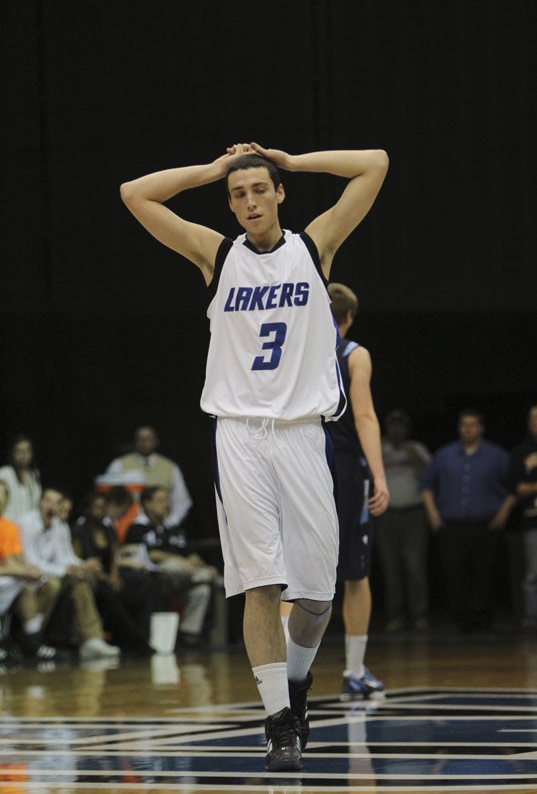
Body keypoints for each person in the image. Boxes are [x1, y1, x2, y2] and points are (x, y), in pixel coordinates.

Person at [120, 140, 388, 770]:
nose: (247, 201)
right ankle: (277, 723)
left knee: (318, 592)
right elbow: (135, 193)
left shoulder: (314, 247)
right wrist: (212, 170)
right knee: (261, 582)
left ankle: (296, 683)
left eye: (258, 189)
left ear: (278, 195)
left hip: (302, 433)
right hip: (239, 433)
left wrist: (290, 161)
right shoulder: (216, 254)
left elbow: (375, 163)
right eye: (237, 194)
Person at [326, 282, 389, 699]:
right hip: (345, 466)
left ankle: (285, 676)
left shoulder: (295, 353)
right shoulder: (353, 353)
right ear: (348, 317)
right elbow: (364, 415)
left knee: (294, 576)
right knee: (355, 572)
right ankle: (353, 670)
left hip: (299, 462)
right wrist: (380, 477)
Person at [421, 409, 512, 631]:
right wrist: (432, 513)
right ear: (459, 428)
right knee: (454, 574)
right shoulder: (444, 455)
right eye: (464, 424)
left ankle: (483, 621)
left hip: (485, 524)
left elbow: (513, 487)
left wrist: (503, 512)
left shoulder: (497, 455)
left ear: (481, 428)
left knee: (485, 574)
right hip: (452, 525)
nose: (468, 429)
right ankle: (459, 621)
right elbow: (426, 486)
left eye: (473, 425)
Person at [17, 489, 121, 660]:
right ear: (39, 503)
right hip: (28, 577)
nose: (51, 506)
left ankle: (92, 639)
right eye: (47, 501)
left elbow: (65, 557)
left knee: (80, 580)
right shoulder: (26, 524)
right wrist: (67, 570)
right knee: (53, 584)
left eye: (56, 502)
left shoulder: (60, 525)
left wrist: (83, 566)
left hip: (49, 574)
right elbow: (31, 562)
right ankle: (33, 640)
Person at [119, 486, 215, 649]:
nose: (165, 505)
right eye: (160, 501)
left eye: (166, 501)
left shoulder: (171, 528)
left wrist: (205, 566)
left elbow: (189, 554)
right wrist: (182, 562)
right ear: (147, 504)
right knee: (174, 567)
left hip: (179, 581)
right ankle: (200, 575)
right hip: (153, 579)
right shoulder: (138, 527)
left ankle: (188, 634)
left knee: (201, 590)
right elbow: (152, 555)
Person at [71, 492, 158, 655]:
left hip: (107, 575)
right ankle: (135, 639)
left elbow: (113, 558)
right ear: (88, 509)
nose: (100, 511)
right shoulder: (79, 530)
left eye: (103, 507)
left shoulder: (108, 529)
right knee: (108, 592)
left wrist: (114, 576)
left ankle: (144, 634)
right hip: (91, 576)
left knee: (145, 581)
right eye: (96, 507)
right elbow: (75, 560)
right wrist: (105, 578)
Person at [375, 409, 432, 632]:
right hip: (386, 516)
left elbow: (432, 474)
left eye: (401, 425)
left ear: (407, 428)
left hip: (414, 515)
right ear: (387, 428)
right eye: (393, 425)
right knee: (391, 570)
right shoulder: (379, 449)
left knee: (415, 567)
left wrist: (412, 454)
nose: (397, 429)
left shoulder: (416, 449)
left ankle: (419, 616)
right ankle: (395, 616)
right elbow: (367, 472)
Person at [0, 481, 58, 662]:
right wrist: (23, 571)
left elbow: (14, 559)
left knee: (28, 585)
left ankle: (33, 642)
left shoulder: (8, 527)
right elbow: (10, 566)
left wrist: (27, 570)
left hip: (4, 577)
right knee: (23, 578)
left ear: (8, 500)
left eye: (2, 495)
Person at [107, 426, 192, 529]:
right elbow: (109, 498)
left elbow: (182, 500)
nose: (144, 442)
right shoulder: (118, 464)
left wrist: (170, 523)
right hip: (127, 528)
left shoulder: (171, 467)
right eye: (140, 439)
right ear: (135, 442)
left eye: (148, 438)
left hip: (161, 527)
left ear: (156, 441)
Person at [505, 404, 537, 630]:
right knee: (533, 574)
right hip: (532, 521)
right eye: (532, 417)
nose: (535, 421)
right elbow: (517, 488)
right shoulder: (521, 452)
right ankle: (532, 620)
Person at [0, 435, 42, 523]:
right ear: (12, 453)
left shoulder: (34, 476)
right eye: (19, 451)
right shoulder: (4, 473)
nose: (23, 454)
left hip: (27, 529)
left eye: (27, 451)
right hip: (7, 526)